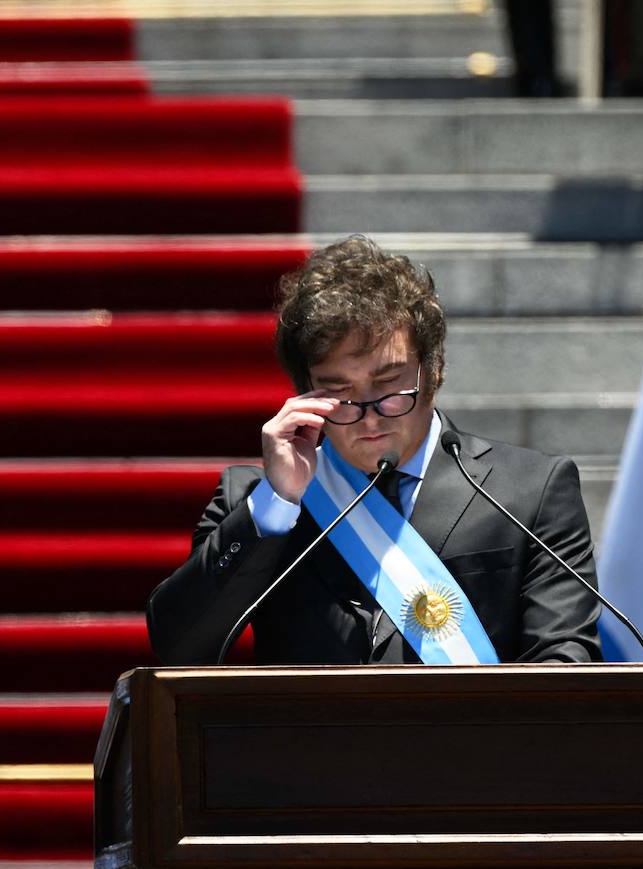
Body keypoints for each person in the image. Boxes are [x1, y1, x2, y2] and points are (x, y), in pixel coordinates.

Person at [148, 235, 603, 665]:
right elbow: (181, 648)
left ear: (434, 370)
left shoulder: (529, 491)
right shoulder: (256, 502)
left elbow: (565, 661)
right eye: (339, 392)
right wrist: (278, 503)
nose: (369, 415)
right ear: (306, 395)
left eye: (389, 384)